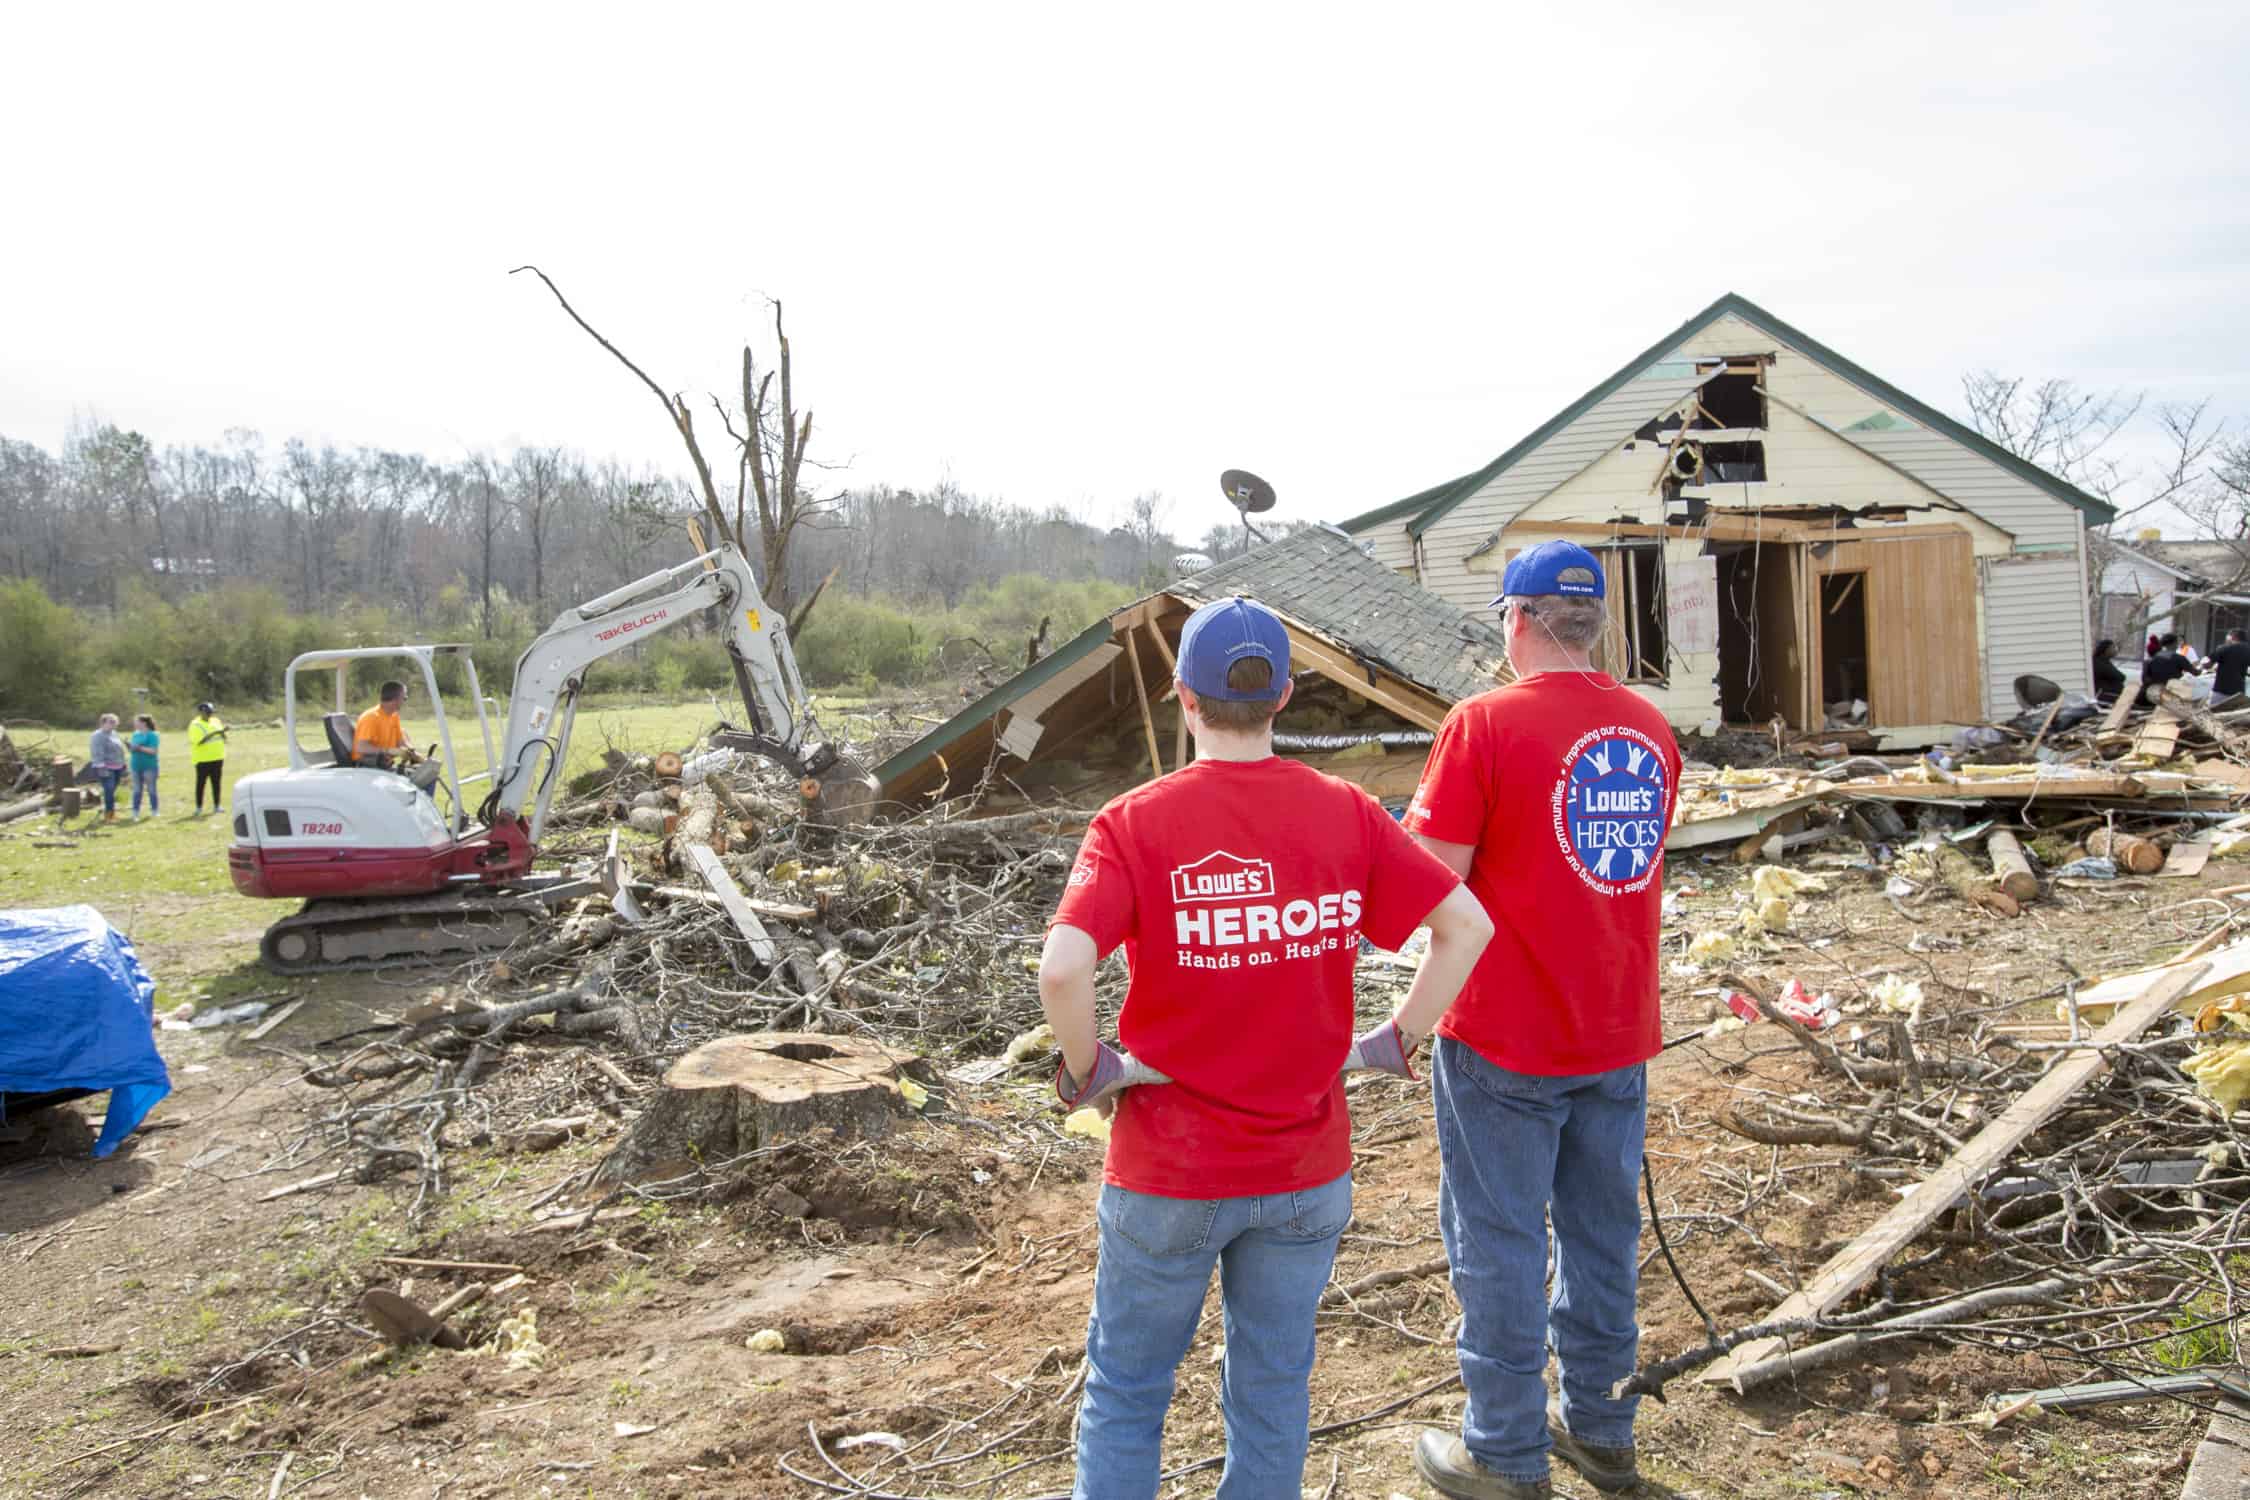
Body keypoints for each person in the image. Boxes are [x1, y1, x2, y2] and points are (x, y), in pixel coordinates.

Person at [1041, 595, 1493, 1500]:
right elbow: (1467, 925)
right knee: (1273, 1388)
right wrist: (1392, 1042)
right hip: (1303, 1170)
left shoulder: (1134, 822)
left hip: (1170, 1171)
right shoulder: (1349, 814)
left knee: (1129, 1391)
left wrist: (1090, 1071)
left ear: (1183, 697)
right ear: (1284, 694)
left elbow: (1062, 969)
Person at [1403, 540, 1684, 1499]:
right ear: (1591, 623)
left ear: (1516, 620)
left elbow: (1426, 886)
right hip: (1616, 1027)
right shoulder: (1649, 728)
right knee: (1602, 1238)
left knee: (1500, 1243)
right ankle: (1602, 1431)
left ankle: (1505, 1454)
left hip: (1505, 1035)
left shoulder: (1483, 724)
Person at [353, 680, 410, 766]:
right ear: (395, 700)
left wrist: (411, 751)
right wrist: (387, 750)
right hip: (365, 765)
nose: (404, 701)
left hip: (382, 763)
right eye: (404, 698)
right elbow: (361, 747)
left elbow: (400, 741)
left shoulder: (394, 716)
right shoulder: (371, 717)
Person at [188, 702, 228, 815]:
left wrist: (223, 733)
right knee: (201, 784)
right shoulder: (195, 724)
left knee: (216, 783)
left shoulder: (216, 721)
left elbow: (222, 736)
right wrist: (217, 732)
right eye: (208, 713)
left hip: (218, 757)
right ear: (201, 712)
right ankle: (199, 807)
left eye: (211, 712)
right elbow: (200, 741)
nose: (210, 715)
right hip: (202, 760)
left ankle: (217, 805)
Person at [88, 713, 129, 825]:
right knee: (109, 790)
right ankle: (108, 815)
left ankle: (111, 813)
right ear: (103, 723)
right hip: (105, 767)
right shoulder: (97, 735)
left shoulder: (114, 734)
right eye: (110, 722)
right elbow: (96, 752)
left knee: (111, 791)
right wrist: (101, 767)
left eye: (115, 722)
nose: (113, 724)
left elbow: (119, 750)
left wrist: (123, 764)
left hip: (117, 766)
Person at [2141, 633, 2190, 707]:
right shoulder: (2179, 658)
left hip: (2150, 695)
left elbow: (2145, 679)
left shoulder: (2149, 661)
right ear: (2174, 644)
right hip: (2170, 696)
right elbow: (2194, 672)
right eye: (2177, 642)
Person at [128, 714, 161, 820]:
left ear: (143, 723)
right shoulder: (135, 735)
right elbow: (132, 750)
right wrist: (130, 747)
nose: (134, 723)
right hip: (135, 765)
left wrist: (139, 748)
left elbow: (153, 751)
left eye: (136, 721)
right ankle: (135, 812)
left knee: (151, 789)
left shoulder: (153, 735)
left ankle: (154, 810)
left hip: (149, 766)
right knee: (137, 790)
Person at [2213, 630, 2250, 700]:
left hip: (2221, 690)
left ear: (2233, 637)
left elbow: (2207, 663)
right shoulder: (2247, 650)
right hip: (2238, 691)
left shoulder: (2223, 649)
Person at [2091, 639, 2127, 707]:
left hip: (2110, 695)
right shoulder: (2099, 662)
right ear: (2106, 650)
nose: (2115, 650)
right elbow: (2120, 676)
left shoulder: (2104, 661)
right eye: (2113, 648)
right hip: (2105, 696)